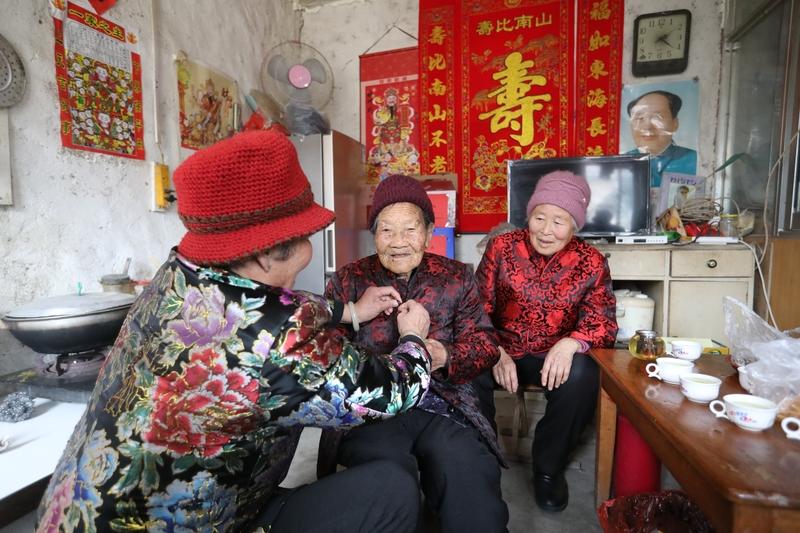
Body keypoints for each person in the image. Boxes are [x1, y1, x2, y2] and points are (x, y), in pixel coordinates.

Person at [35, 130, 434, 533]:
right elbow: (394, 393)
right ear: (265, 254)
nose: (309, 248)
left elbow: (259, 302)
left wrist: (347, 310)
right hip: (185, 524)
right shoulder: (281, 340)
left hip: (73, 514)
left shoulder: (178, 273)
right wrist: (414, 337)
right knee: (392, 491)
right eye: (305, 237)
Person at [319, 174, 509, 532]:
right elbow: (326, 350)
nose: (398, 242)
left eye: (410, 229)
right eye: (386, 230)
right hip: (374, 406)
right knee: (385, 475)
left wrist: (446, 355)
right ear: (374, 234)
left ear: (429, 232)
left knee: (466, 472)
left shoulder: (457, 277)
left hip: (445, 403)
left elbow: (485, 343)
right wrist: (358, 321)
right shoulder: (349, 280)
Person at [476, 170, 617, 513]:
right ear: (529, 215)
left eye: (559, 221)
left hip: (552, 357)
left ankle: (548, 469)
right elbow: (475, 308)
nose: (546, 230)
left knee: (585, 374)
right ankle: (479, 461)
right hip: (503, 350)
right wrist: (495, 351)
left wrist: (571, 344)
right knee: (468, 364)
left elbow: (603, 322)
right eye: (539, 217)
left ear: (575, 226)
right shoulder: (502, 248)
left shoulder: (591, 262)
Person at [625, 90, 697, 187]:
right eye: (640, 118)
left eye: (657, 117)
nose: (647, 126)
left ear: (675, 123)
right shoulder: (621, 163)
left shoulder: (695, 160)